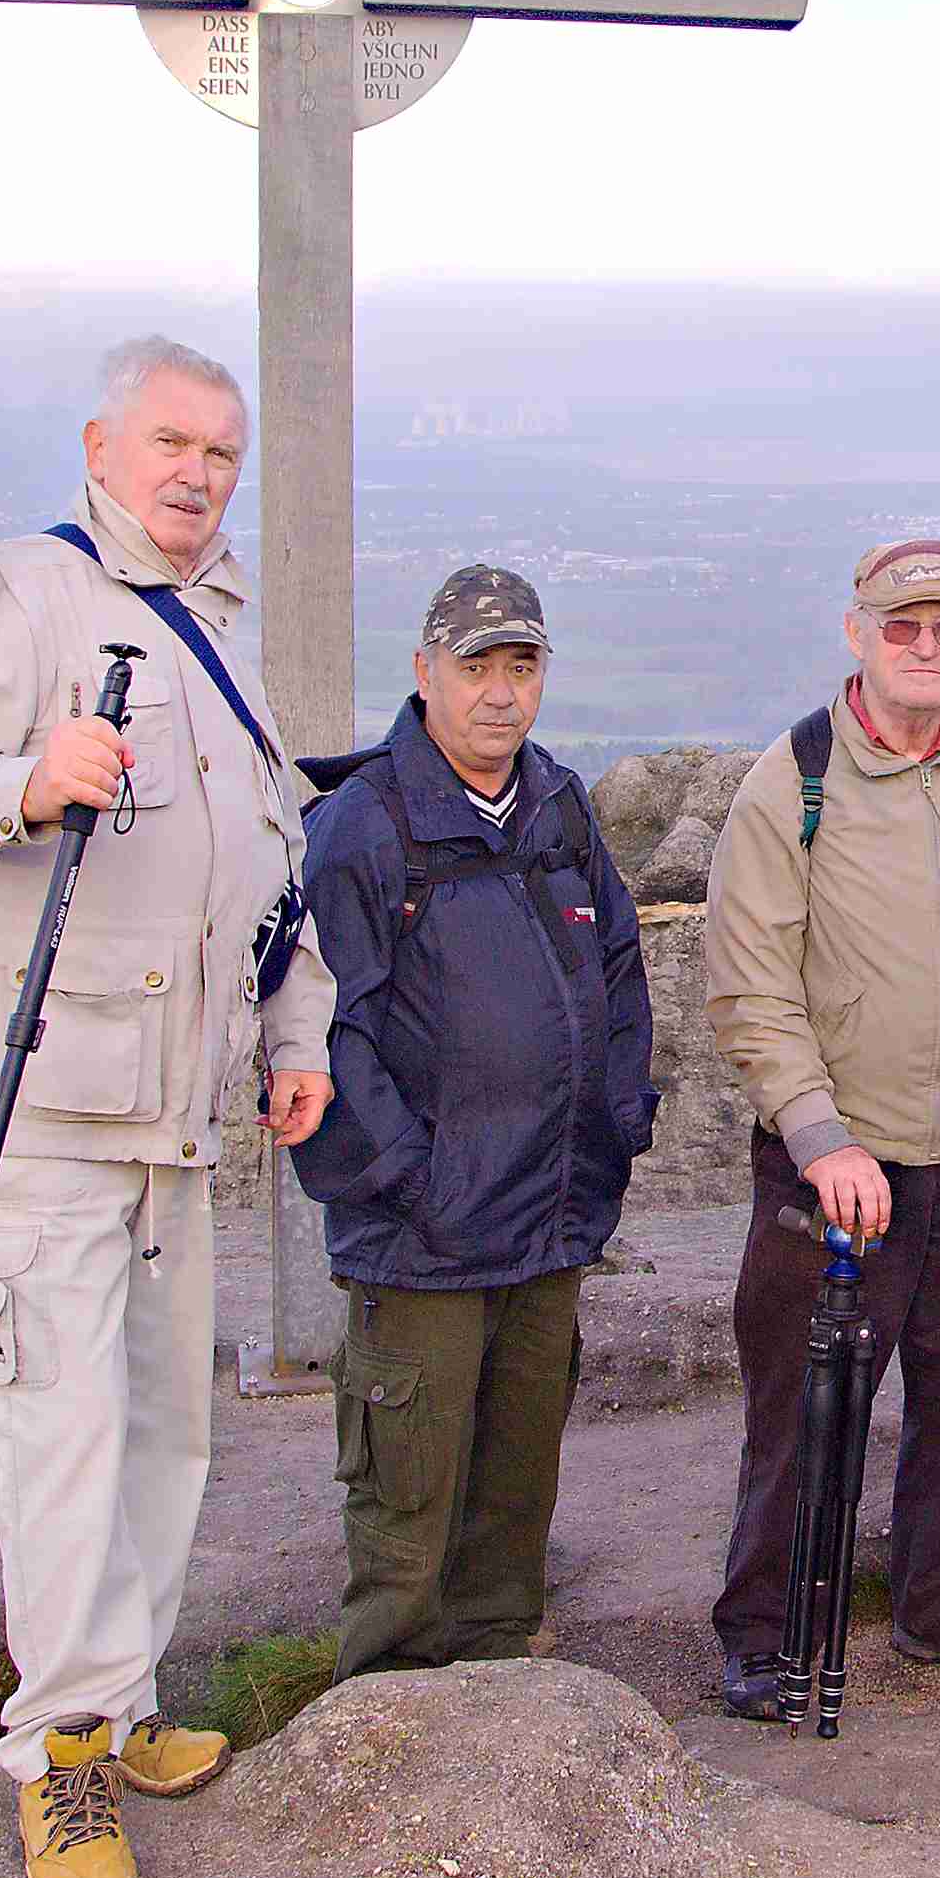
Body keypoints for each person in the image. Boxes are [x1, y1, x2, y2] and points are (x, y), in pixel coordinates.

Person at [0, 335, 334, 1878]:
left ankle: (119, 1702)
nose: (198, 473)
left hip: (174, 1112)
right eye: (173, 443)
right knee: (60, 1432)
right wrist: (21, 773)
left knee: (161, 1430)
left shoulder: (213, 633)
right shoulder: (22, 597)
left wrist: (292, 1034)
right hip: (47, 1103)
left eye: (222, 453)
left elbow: (268, 873)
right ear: (103, 445)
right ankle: (56, 1759)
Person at [698, 538, 940, 1715]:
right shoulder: (793, 778)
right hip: (840, 1160)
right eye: (902, 627)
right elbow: (749, 982)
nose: (926, 649)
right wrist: (821, 1138)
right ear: (857, 632)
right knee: (805, 1406)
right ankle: (764, 1634)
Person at [294, 565, 655, 1685]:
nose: (499, 693)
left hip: (546, 1221)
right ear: (423, 672)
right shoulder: (363, 826)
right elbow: (323, 1026)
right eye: (475, 665)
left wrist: (611, 1134)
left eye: (522, 665)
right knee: (406, 1503)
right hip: (426, 1239)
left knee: (513, 1487)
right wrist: (412, 1180)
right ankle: (387, 1729)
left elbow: (620, 974)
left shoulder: (557, 803)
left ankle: (502, 1700)